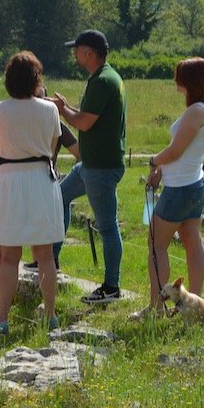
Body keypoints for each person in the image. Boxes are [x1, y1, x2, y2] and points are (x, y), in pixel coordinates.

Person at [0, 51, 65, 334]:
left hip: (10, 180)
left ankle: (2, 319)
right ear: (36, 79)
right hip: (41, 178)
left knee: (9, 255)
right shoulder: (50, 109)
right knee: (45, 255)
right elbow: (52, 147)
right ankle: (50, 315)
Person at [137, 57, 204, 319]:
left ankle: (157, 307)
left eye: (179, 77)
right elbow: (183, 154)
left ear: (190, 81)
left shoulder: (195, 111)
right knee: (192, 242)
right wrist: (162, 168)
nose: (175, 82)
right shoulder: (202, 110)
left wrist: (154, 161)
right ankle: (194, 302)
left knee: (156, 245)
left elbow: (175, 150)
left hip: (179, 189)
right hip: (194, 184)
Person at [51, 30, 127, 305]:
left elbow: (84, 123)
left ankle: (111, 287)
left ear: (89, 53)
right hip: (91, 164)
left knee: (107, 227)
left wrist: (62, 110)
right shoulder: (107, 77)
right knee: (60, 196)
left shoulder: (102, 81)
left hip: (101, 167)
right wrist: (67, 107)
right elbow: (87, 117)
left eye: (77, 49)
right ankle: (50, 259)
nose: (74, 53)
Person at [24, 84, 80, 274]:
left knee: (46, 224)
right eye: (34, 98)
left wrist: (74, 173)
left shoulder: (57, 124)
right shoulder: (23, 122)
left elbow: (79, 153)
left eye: (42, 98)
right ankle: (39, 261)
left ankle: (51, 258)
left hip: (47, 179)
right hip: (26, 180)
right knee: (34, 225)